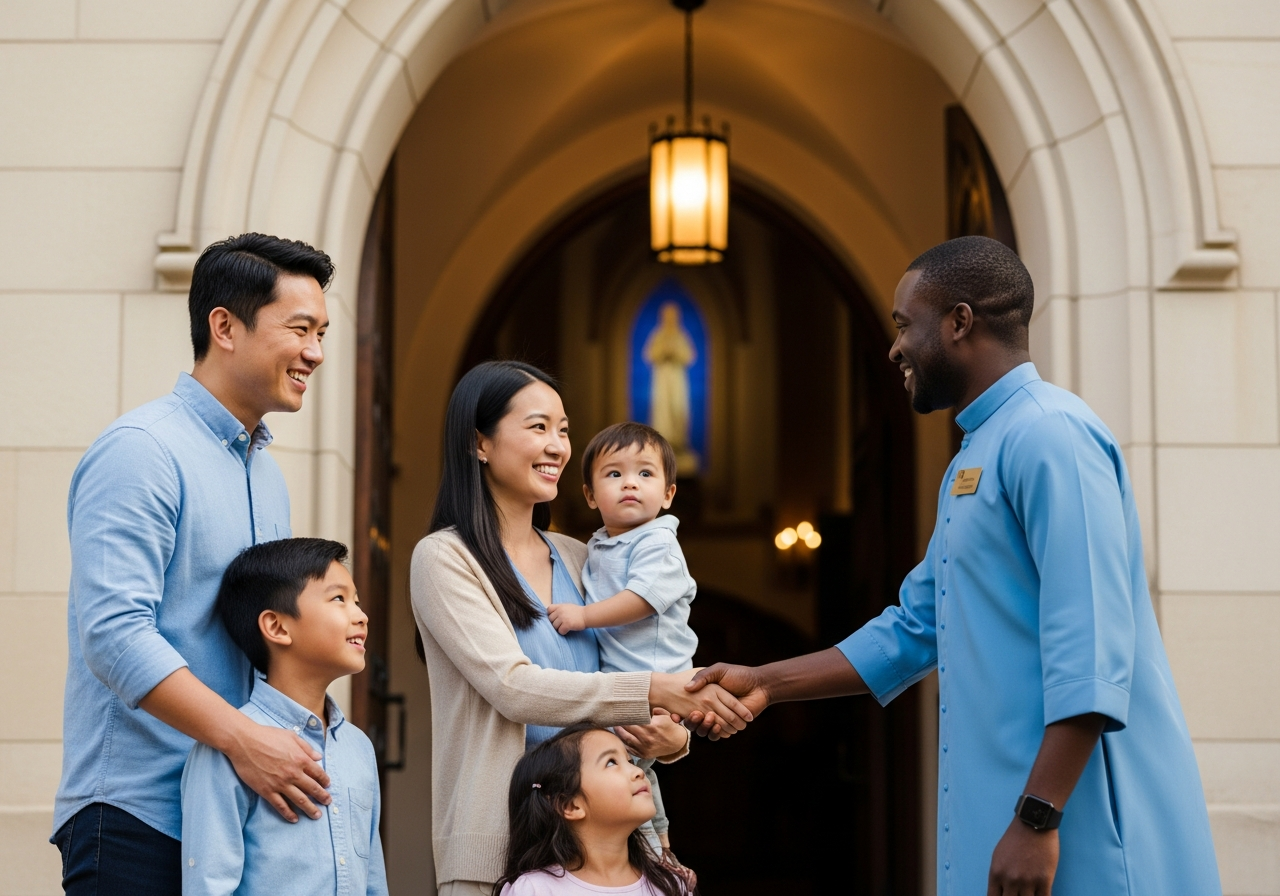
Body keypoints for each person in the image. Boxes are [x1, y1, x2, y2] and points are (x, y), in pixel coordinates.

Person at [687, 236, 1221, 896]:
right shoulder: (974, 456)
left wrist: (1038, 817)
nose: (894, 349)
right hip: (1005, 821)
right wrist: (766, 683)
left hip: (1080, 833)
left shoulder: (1052, 434)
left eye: (904, 325)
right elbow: (915, 628)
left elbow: (1093, 648)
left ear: (959, 322)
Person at [53, 234, 339, 895]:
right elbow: (114, 634)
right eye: (300, 329)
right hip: (138, 816)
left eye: (321, 333)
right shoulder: (140, 450)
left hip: (234, 815)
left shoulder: (267, 476)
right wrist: (244, 740)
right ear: (225, 327)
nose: (316, 353)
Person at [410, 360, 751, 896]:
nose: (558, 447)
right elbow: (513, 687)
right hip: (499, 852)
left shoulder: (583, 557)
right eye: (538, 427)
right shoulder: (444, 558)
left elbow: (637, 658)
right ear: (480, 443)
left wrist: (673, 736)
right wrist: (652, 691)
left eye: (564, 430)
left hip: (608, 859)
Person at [181, 538, 388, 895]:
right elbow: (209, 886)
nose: (361, 615)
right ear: (277, 627)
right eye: (339, 599)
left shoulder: (359, 748)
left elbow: (373, 883)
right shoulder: (226, 751)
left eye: (356, 600)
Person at [546, 422, 698, 857]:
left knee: (622, 771)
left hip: (656, 681)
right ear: (590, 495)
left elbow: (642, 600)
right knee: (633, 769)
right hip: (626, 684)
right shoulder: (598, 545)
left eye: (645, 474)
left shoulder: (657, 542)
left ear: (668, 494)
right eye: (614, 474)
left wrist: (583, 617)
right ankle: (661, 847)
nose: (630, 482)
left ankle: (652, 856)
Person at [494, 723, 692, 896]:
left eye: (630, 761)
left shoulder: (671, 885)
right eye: (611, 762)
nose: (639, 771)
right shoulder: (534, 890)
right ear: (570, 805)